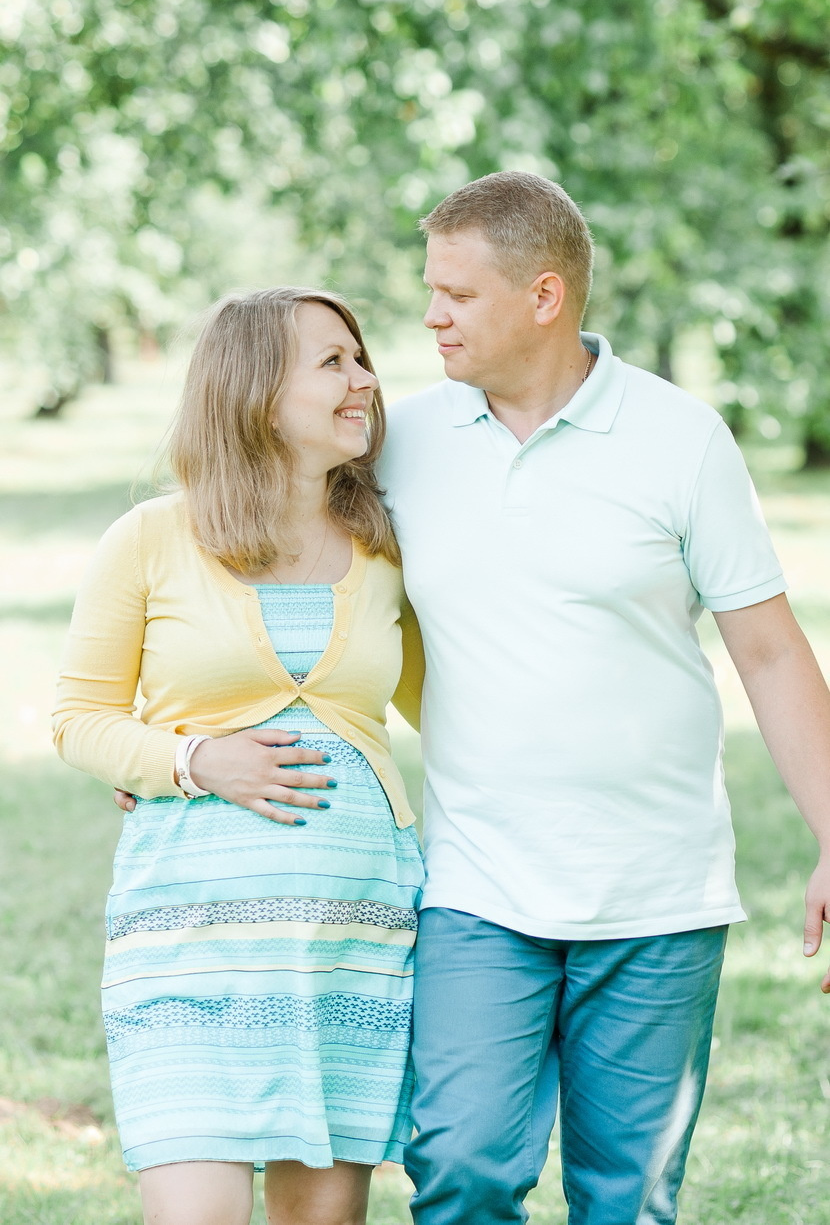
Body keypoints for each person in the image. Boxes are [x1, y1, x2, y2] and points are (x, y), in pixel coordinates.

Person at [373, 171, 830, 1225]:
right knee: (461, 1166)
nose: (430, 314)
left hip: (656, 891)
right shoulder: (403, 443)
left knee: (624, 1200)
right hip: (477, 883)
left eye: (457, 293)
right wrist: (179, 743)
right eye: (427, 290)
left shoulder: (681, 439)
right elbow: (294, 587)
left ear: (544, 296)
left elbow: (766, 651)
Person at [53, 287, 425, 1225]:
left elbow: (456, 710)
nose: (365, 380)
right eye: (332, 362)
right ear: (258, 391)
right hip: (189, 939)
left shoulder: (386, 548)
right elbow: (79, 718)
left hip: (352, 940)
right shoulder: (148, 539)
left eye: (360, 357)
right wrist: (193, 761)